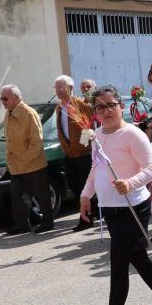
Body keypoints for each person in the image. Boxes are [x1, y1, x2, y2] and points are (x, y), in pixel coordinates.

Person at [80, 85, 152, 305]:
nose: (107, 110)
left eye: (111, 105)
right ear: (96, 112)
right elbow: (96, 167)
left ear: (121, 106)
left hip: (133, 206)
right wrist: (86, 195)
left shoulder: (133, 135)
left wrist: (130, 183)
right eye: (101, 107)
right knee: (138, 257)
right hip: (110, 208)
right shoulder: (97, 135)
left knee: (119, 261)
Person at [1, 84, 54, 235]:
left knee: (41, 194)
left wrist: (25, 159)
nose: (2, 101)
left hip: (32, 164)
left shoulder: (29, 114)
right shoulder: (8, 113)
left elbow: (37, 141)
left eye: (5, 98)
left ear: (16, 97)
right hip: (16, 164)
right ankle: (21, 224)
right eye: (1, 98)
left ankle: (47, 222)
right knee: (18, 197)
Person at [54, 75, 96, 232]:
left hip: (84, 153)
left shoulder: (80, 104)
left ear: (70, 88)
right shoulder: (59, 108)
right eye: (56, 87)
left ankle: (86, 219)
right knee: (73, 184)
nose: (57, 90)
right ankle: (93, 209)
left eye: (60, 87)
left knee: (84, 186)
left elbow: (92, 121)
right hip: (69, 153)